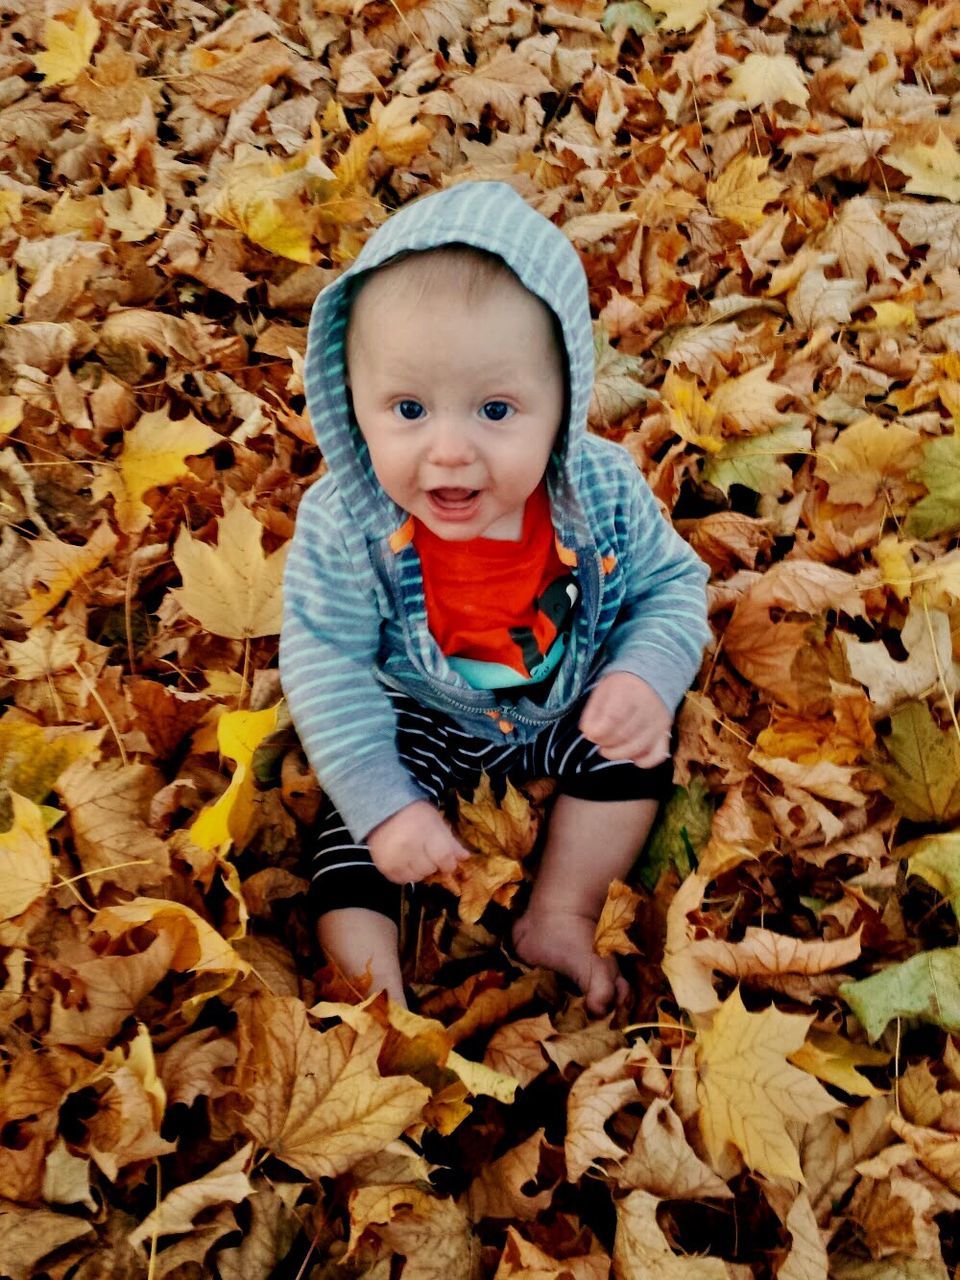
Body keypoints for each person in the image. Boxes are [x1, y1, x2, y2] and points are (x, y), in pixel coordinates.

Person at [279, 181, 710, 1014]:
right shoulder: (346, 524)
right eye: (407, 409)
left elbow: (670, 583)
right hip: (420, 719)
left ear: (562, 406)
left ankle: (560, 912)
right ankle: (377, 1006)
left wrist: (642, 679)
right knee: (349, 834)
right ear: (351, 403)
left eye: (496, 409)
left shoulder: (603, 490)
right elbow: (326, 663)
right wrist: (386, 804)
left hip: (566, 702)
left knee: (634, 759)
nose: (448, 451)